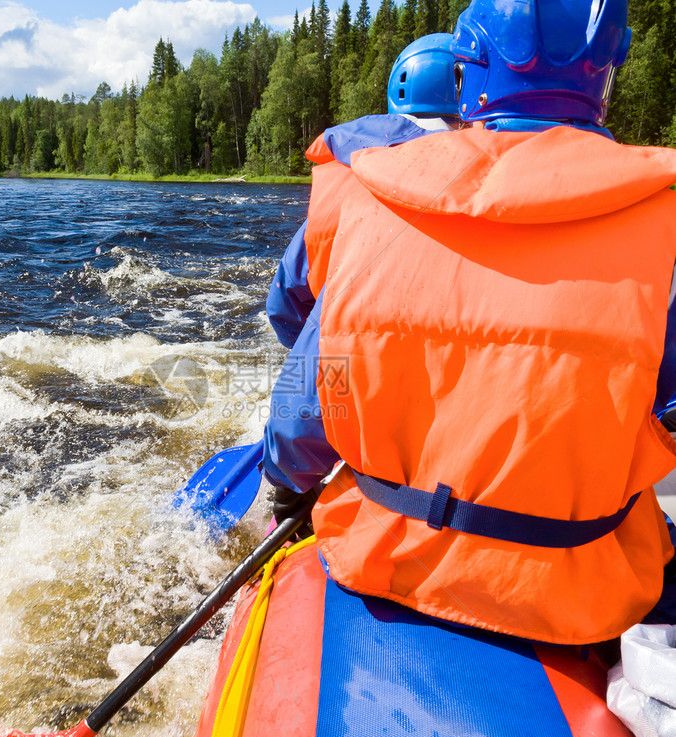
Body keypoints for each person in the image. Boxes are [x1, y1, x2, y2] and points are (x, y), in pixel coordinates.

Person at [262, 0, 676, 646]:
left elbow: (315, 381)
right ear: (606, 77)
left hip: (382, 557)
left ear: (470, 74)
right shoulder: (664, 222)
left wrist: (286, 483)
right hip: (583, 591)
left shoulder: (375, 196)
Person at [267, 34, 460, 530]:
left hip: (346, 382)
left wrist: (294, 478)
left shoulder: (345, 180)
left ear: (399, 96)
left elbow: (286, 306)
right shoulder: (483, 185)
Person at [267, 33, 460, 350]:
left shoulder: (342, 187)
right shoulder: (491, 184)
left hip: (345, 375)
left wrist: (308, 349)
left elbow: (283, 302)